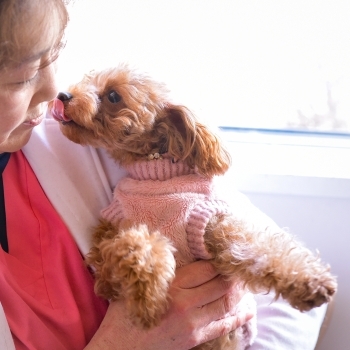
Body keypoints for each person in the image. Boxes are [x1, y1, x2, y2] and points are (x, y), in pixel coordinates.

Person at [0, 0, 327, 349]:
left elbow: (295, 299)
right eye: (24, 75)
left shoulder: (94, 142)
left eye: (52, 57)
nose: (53, 89)